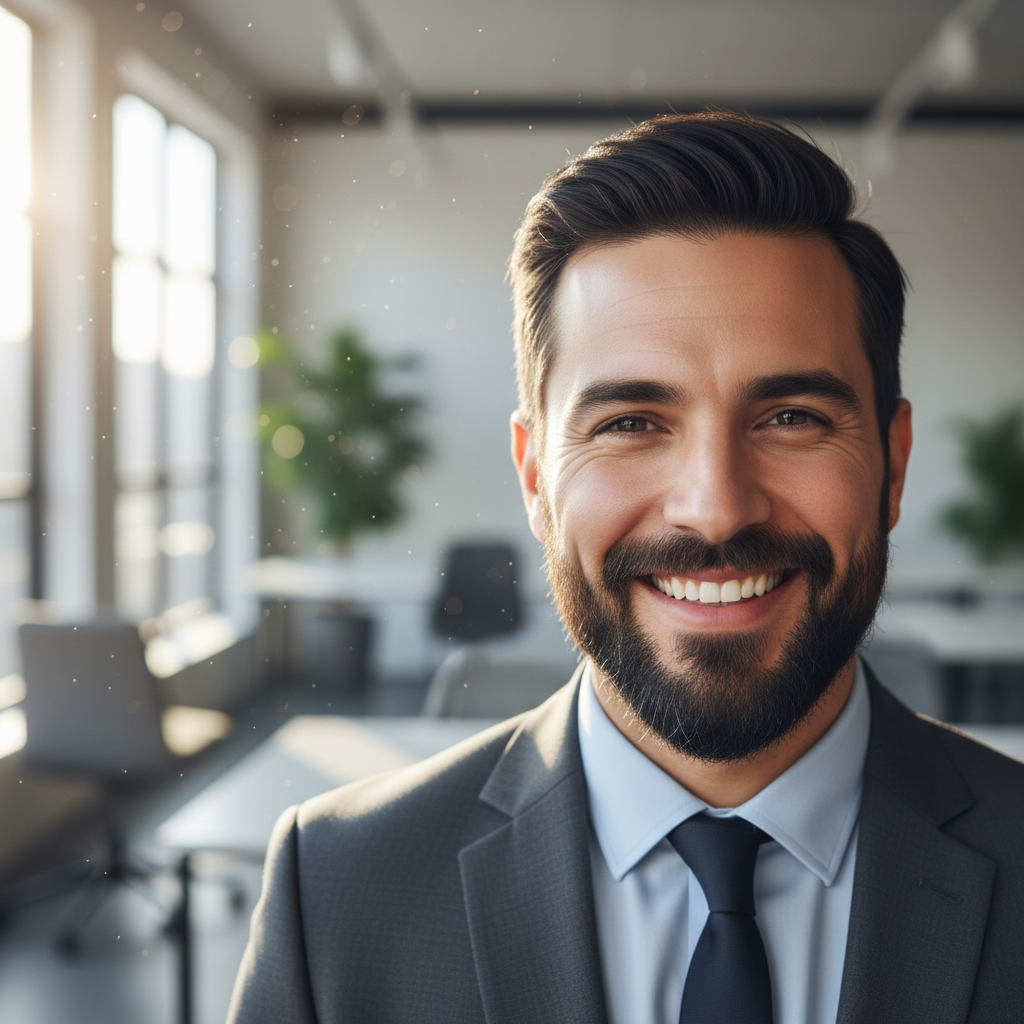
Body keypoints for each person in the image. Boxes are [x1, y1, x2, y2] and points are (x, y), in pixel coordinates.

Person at [227, 112, 1024, 1024]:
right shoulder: (337, 888)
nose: (717, 506)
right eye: (630, 423)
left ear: (894, 460)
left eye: (792, 416)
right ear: (535, 478)